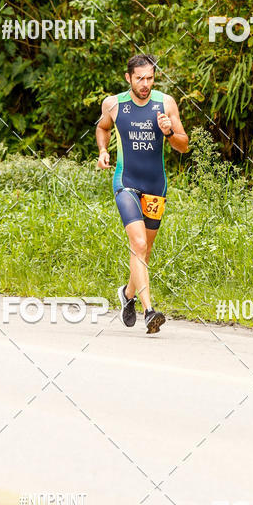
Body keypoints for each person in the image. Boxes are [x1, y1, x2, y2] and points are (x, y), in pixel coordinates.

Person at [96, 54, 189, 334]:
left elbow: (183, 145)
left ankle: (127, 294)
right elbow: (102, 127)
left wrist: (169, 131)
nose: (145, 84)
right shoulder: (114, 104)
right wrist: (103, 151)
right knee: (137, 244)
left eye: (150, 77)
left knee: (144, 251)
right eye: (139, 78)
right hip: (126, 183)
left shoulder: (166, 103)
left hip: (156, 187)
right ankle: (150, 312)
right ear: (129, 78)